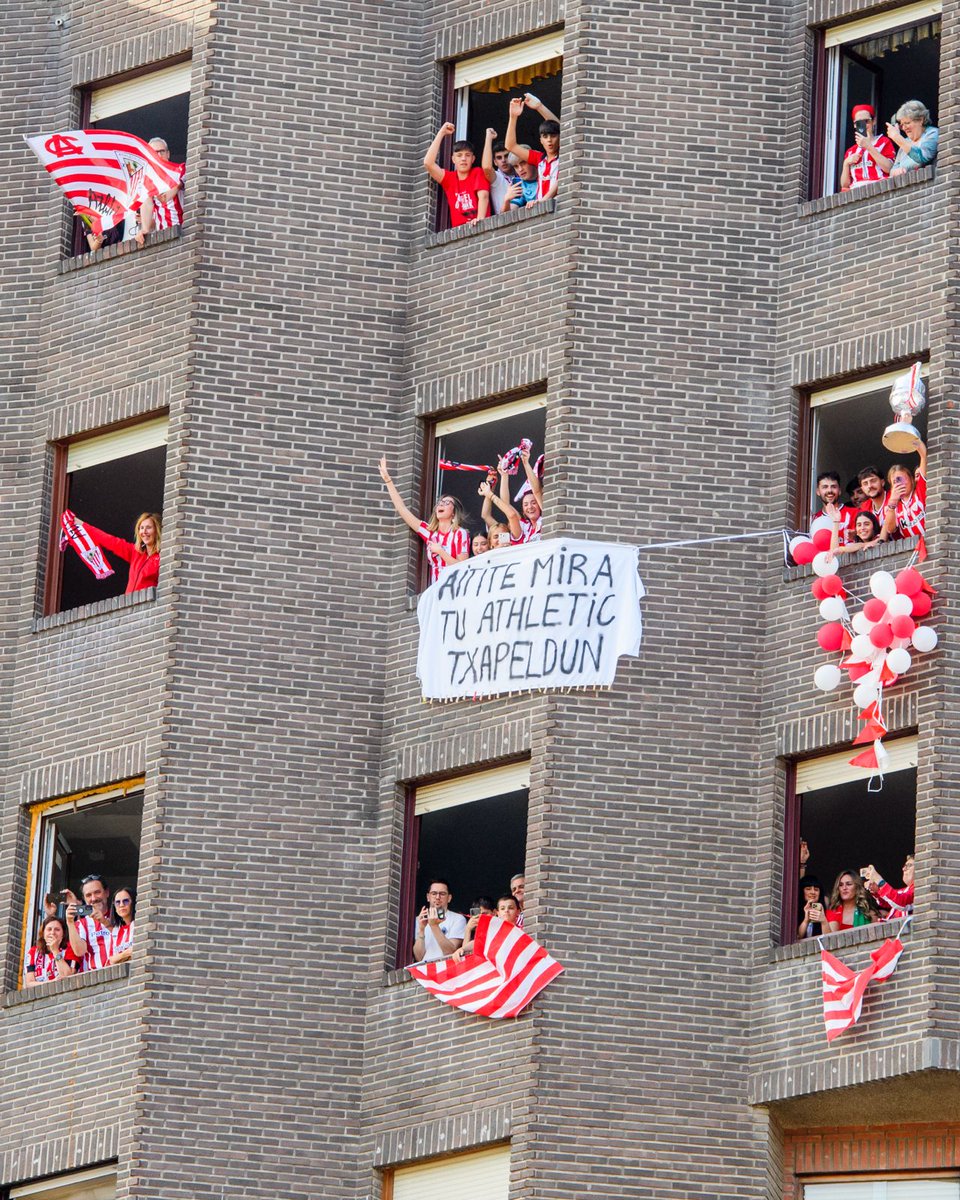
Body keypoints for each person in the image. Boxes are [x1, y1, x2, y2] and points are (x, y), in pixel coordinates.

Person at [379, 456, 470, 583]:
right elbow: (403, 510)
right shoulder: (430, 533)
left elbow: (464, 567)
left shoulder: (460, 533)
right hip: (436, 590)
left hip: (455, 590)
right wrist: (388, 481)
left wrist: (440, 551)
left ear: (454, 513)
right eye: (440, 502)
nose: (441, 504)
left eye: (447, 502)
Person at [71, 512, 161, 594]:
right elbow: (108, 540)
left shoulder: (162, 556)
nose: (144, 532)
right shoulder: (135, 552)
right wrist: (80, 524)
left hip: (149, 608)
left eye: (148, 527)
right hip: (130, 607)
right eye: (141, 528)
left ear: (157, 530)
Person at [423, 123, 490, 227]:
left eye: (467, 155)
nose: (463, 159)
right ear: (453, 159)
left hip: (480, 226)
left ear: (473, 159)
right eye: (459, 155)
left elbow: (484, 196)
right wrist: (441, 133)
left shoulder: (477, 172)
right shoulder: (450, 179)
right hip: (460, 233)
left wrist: (480, 220)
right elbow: (428, 163)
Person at [505, 96, 560, 202]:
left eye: (553, 136)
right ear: (540, 140)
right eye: (545, 137)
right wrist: (513, 117)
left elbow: (560, 129)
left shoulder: (565, 155)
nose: (549, 140)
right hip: (542, 210)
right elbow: (510, 146)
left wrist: (539, 107)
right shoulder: (539, 158)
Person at [64, 874, 116, 972]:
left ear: (107, 892)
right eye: (88, 895)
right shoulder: (81, 924)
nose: (93, 898)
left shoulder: (120, 915)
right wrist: (70, 922)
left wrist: (104, 922)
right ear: (84, 899)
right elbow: (79, 951)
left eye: (97, 892)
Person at [839, 104, 896, 190]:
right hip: (856, 192)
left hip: (879, 188)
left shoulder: (883, 142)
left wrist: (869, 147)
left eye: (866, 121)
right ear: (854, 125)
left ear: (874, 121)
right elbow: (844, 185)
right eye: (859, 123)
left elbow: (889, 169)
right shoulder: (851, 151)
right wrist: (846, 163)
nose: (863, 125)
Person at [452, 893, 521, 961]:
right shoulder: (494, 931)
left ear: (518, 911)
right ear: (498, 913)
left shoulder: (522, 928)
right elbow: (478, 942)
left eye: (511, 908)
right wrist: (462, 949)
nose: (506, 911)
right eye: (502, 908)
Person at [412, 879, 466, 962]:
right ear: (428, 897)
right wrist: (421, 930)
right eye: (434, 893)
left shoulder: (458, 919)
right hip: (424, 970)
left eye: (442, 894)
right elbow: (419, 958)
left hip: (446, 969)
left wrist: (434, 926)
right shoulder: (419, 920)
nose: (437, 897)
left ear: (449, 898)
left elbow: (450, 952)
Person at [882, 441, 927, 540]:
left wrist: (911, 437)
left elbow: (924, 456)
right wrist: (892, 503)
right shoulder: (892, 507)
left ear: (911, 480)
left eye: (902, 479)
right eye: (895, 481)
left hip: (931, 543)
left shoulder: (920, 490)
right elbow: (890, 529)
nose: (900, 484)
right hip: (912, 549)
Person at [140, 138, 185, 232]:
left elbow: (182, 182)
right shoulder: (148, 180)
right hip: (163, 235)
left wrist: (175, 188)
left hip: (184, 230)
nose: (159, 155)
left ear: (168, 154)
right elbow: (147, 203)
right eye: (155, 152)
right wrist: (144, 229)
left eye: (162, 151)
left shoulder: (180, 169)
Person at [499, 447, 544, 543]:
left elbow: (536, 491)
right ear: (523, 510)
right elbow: (505, 504)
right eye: (526, 504)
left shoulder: (546, 518)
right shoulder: (525, 526)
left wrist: (525, 463)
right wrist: (504, 475)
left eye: (533, 502)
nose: (530, 507)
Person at [887, 101, 939, 175]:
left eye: (907, 123)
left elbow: (922, 157)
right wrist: (897, 171)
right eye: (902, 125)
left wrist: (898, 138)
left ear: (921, 120)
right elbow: (892, 170)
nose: (904, 128)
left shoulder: (932, 133)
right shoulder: (906, 142)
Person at [24, 917, 79, 986]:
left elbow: (68, 977)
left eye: (57, 930)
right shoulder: (33, 952)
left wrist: (55, 951)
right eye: (49, 929)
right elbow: (29, 984)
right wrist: (52, 982)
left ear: (63, 934)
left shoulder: (70, 948)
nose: (52, 933)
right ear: (43, 933)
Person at [481, 130, 519, 215]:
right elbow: (487, 167)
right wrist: (488, 138)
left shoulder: (521, 173)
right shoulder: (497, 178)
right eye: (499, 158)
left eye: (506, 156)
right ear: (494, 162)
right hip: (504, 223)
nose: (503, 160)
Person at [812, 472, 856, 543]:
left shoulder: (855, 513)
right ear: (818, 492)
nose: (829, 490)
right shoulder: (814, 519)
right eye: (825, 487)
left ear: (839, 491)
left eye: (834, 487)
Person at [109, 886, 136, 964]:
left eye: (126, 901)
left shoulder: (139, 925)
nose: (121, 905)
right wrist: (126, 954)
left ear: (133, 902)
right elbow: (111, 960)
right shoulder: (116, 930)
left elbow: (136, 952)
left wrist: (119, 957)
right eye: (117, 902)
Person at [798, 875, 827, 940]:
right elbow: (797, 938)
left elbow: (830, 940)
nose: (813, 892)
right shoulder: (794, 911)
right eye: (808, 889)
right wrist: (806, 920)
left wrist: (823, 920)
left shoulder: (825, 912)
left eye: (816, 890)